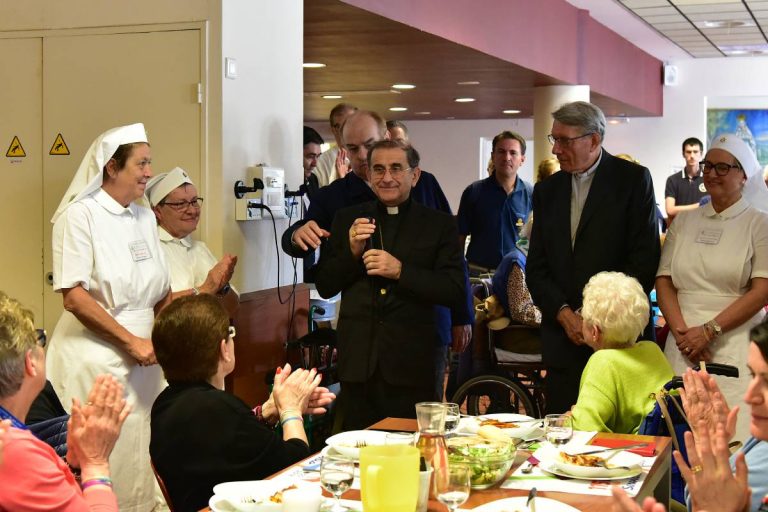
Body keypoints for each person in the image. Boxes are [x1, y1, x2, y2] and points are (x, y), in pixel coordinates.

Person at [281, 110, 472, 398]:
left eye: (368, 146)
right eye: (352, 149)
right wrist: (297, 236)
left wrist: (462, 316)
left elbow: (453, 266)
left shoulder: (425, 185)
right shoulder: (335, 200)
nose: (362, 156)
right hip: (362, 345)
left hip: (419, 337)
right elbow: (303, 243)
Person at [47, 123, 172, 511]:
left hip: (148, 359)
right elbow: (74, 297)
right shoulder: (80, 216)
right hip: (96, 356)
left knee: (144, 452)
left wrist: (168, 342)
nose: (150, 171)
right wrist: (130, 342)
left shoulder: (145, 218)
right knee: (109, 455)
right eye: (142, 163)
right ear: (111, 168)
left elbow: (161, 291)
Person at [315, 140, 466, 429]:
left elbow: (454, 289)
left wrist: (401, 272)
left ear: (415, 175)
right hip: (359, 363)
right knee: (355, 454)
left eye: (396, 168)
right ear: (369, 175)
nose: (386, 178)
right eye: (379, 169)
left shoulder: (439, 224)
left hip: (415, 364)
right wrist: (352, 253)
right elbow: (325, 285)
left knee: (415, 457)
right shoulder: (347, 219)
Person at [526, 101, 660, 415]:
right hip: (564, 340)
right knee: (563, 435)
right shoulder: (547, 191)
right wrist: (565, 314)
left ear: (594, 140)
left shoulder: (632, 180)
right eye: (554, 139)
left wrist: (596, 318)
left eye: (565, 140)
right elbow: (537, 267)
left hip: (619, 340)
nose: (556, 149)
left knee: (625, 442)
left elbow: (643, 261)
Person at [150, 294, 335, 511]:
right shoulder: (217, 408)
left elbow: (230, 441)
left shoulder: (165, 403)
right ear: (223, 350)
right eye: (230, 334)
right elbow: (295, 468)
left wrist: (269, 410)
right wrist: (291, 411)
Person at [656, 133, 768, 442]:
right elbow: (663, 279)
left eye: (722, 168)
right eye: (708, 166)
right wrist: (682, 334)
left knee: (732, 438)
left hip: (734, 345)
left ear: (743, 175)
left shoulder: (759, 223)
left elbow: (762, 291)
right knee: (678, 438)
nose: (711, 173)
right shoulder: (684, 222)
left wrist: (708, 330)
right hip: (682, 347)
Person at [0, 290, 130, 511]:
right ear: (30, 362)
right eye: (39, 338)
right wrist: (96, 465)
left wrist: (75, 466)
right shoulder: (14, 452)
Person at [570, 272, 673, 433]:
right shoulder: (652, 350)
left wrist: (567, 421)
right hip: (663, 450)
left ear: (595, 331)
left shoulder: (603, 362)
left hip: (631, 455)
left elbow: (584, 431)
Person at [146, 167, 239, 316]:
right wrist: (206, 288)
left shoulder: (200, 249)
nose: (192, 210)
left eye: (194, 201)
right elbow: (154, 310)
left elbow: (232, 308)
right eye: (180, 204)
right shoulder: (150, 250)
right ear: (157, 211)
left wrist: (223, 287)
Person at [457, 130, 533, 274]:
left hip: (517, 276)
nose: (507, 157)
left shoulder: (531, 194)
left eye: (513, 153)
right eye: (501, 152)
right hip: (478, 275)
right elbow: (460, 238)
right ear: (493, 156)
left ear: (522, 159)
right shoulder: (474, 192)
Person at [312, 102, 357, 187]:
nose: (346, 130)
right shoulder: (321, 162)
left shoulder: (369, 156)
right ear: (334, 129)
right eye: (340, 126)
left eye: (351, 123)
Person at [665, 137, 707, 222]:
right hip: (680, 230)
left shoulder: (708, 179)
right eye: (688, 152)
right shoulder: (673, 180)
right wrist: (701, 204)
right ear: (683, 154)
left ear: (701, 154)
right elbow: (670, 210)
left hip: (702, 228)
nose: (692, 156)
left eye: (695, 152)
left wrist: (679, 210)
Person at [303, 126, 324, 199]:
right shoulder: (283, 181)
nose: (315, 164)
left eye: (318, 156)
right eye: (310, 156)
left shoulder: (313, 180)